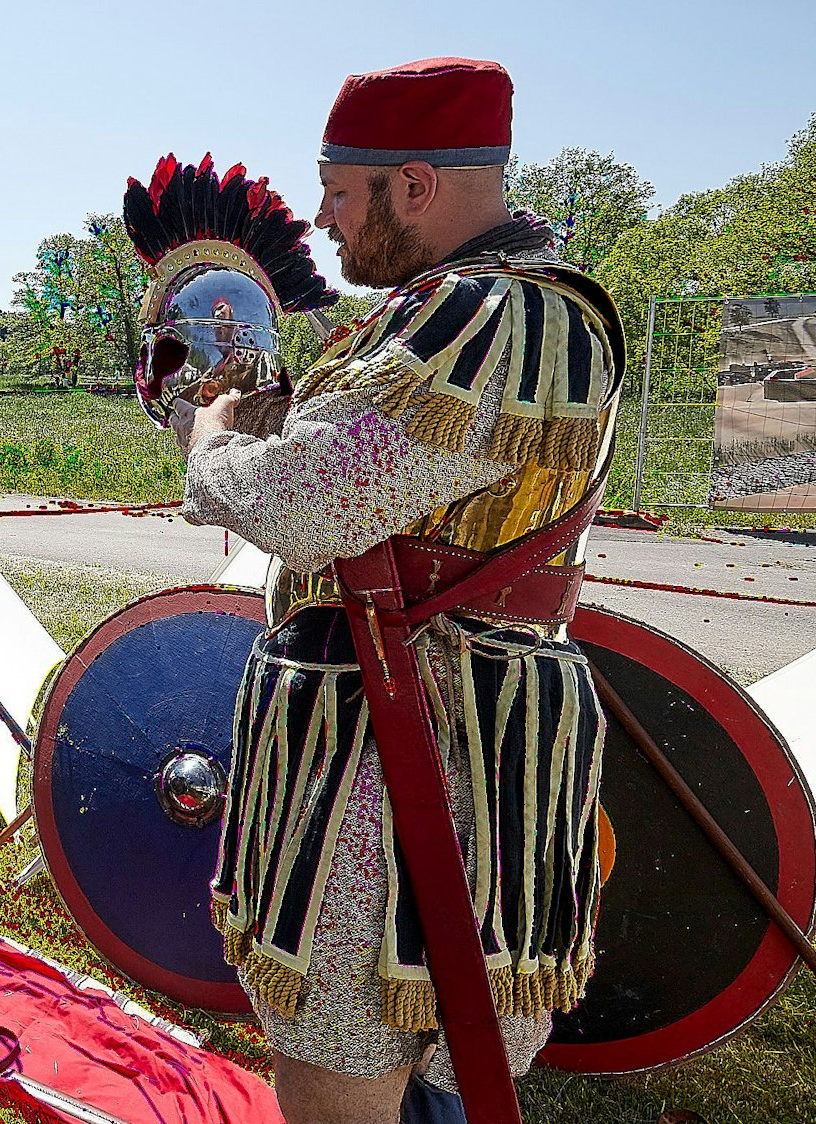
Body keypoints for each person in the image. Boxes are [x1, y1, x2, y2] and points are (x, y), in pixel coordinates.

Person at [171, 58, 622, 1124]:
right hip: (430, 714)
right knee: (428, 1072)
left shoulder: (489, 311)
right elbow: (392, 473)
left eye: (338, 190)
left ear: (413, 184)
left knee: (356, 1061)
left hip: (411, 742)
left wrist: (209, 442)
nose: (323, 219)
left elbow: (308, 505)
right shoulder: (477, 307)